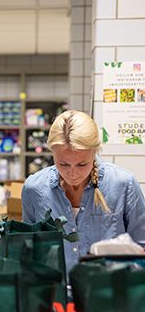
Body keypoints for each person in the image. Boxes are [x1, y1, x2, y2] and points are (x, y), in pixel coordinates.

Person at [22, 110, 145, 273]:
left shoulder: (123, 185)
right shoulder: (34, 189)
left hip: (108, 293)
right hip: (54, 294)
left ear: (95, 151)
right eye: (63, 164)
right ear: (52, 152)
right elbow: (28, 251)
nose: (72, 173)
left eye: (82, 164)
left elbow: (141, 246)